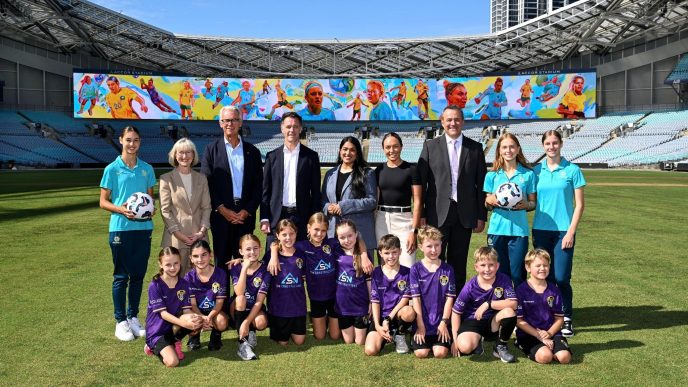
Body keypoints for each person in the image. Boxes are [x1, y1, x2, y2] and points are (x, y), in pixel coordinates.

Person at [417, 105, 487, 291]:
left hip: (464, 215)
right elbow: (421, 184)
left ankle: (456, 306)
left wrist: (481, 216)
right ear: (442, 122)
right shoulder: (430, 146)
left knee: (458, 261)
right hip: (436, 214)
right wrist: (422, 214)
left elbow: (481, 186)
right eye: (449, 120)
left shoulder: (475, 148)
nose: (453, 123)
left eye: (456, 119)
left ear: (462, 122)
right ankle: (435, 301)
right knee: (434, 259)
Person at [99, 126, 156, 341]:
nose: (132, 144)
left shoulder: (147, 169)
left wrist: (151, 209)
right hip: (120, 229)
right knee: (121, 276)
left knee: (138, 276)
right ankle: (120, 321)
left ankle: (133, 317)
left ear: (140, 142)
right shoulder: (112, 169)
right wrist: (121, 209)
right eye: (128, 140)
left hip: (143, 229)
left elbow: (150, 200)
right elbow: (103, 202)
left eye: (136, 140)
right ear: (121, 140)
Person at [532, 130, 585, 337]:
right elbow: (530, 199)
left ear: (561, 144)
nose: (551, 146)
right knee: (544, 275)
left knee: (562, 277)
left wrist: (571, 232)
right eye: (547, 143)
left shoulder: (572, 170)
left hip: (564, 231)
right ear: (543, 146)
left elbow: (579, 205)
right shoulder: (537, 171)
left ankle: (566, 317)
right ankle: (547, 315)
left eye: (555, 143)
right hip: (541, 230)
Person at [201, 105, 263, 274]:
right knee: (221, 263)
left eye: (234, 120)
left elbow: (259, 185)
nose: (230, 123)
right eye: (226, 120)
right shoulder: (211, 150)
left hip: (245, 217)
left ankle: (241, 299)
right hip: (221, 216)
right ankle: (222, 300)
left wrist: (247, 210)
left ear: (241, 123)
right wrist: (221, 208)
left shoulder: (253, 152)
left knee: (245, 264)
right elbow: (207, 183)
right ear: (220, 123)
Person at [272, 213, 341, 340]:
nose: (319, 234)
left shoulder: (332, 244)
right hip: (316, 298)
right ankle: (323, 319)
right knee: (319, 336)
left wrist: (364, 255)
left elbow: (358, 240)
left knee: (335, 336)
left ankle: (332, 319)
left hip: (334, 297)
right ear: (308, 228)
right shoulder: (302, 246)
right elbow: (277, 244)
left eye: (323, 230)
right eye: (316, 229)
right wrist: (273, 254)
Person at [484, 133, 536, 288]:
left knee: (517, 273)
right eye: (504, 147)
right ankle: (501, 308)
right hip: (496, 230)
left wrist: (527, 205)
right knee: (498, 273)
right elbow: (487, 204)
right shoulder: (492, 175)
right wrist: (489, 200)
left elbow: (533, 203)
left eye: (512, 146)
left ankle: (519, 308)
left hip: (519, 231)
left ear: (518, 149)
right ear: (499, 150)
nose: (509, 150)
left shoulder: (528, 174)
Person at [260, 112, 321, 243]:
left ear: (300, 128)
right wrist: (264, 218)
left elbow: (316, 191)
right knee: (273, 258)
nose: (291, 130)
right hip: (277, 215)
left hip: (302, 216)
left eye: (295, 126)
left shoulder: (311, 157)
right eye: (288, 127)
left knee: (302, 258)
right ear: (282, 128)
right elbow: (265, 191)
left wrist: (316, 219)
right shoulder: (272, 157)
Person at [450, 246, 518, 363]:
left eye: (491, 265)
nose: (487, 269)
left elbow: (514, 303)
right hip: (473, 320)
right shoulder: (470, 286)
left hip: (493, 323)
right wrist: (455, 340)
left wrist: (488, 304)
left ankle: (500, 346)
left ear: (497, 266)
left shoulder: (504, 279)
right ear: (476, 267)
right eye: (483, 265)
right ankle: (476, 341)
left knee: (509, 312)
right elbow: (456, 313)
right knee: (465, 347)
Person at [144, 247, 203, 367]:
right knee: (173, 362)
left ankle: (174, 341)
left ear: (180, 262)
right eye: (168, 264)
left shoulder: (184, 284)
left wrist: (200, 318)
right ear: (160, 264)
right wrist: (185, 324)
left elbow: (187, 310)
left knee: (194, 319)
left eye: (176, 263)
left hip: (173, 327)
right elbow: (163, 314)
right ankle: (152, 346)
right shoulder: (155, 285)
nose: (172, 268)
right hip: (157, 332)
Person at [159, 138, 211, 275]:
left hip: (199, 238)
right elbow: (165, 210)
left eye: (188, 152)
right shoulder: (166, 179)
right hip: (176, 239)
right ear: (175, 155)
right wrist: (179, 234)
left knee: (200, 281)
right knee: (176, 282)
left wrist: (201, 232)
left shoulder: (202, 178)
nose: (184, 156)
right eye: (181, 152)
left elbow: (206, 207)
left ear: (193, 155)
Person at [322, 136, 377, 265]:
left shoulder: (367, 173)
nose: (348, 153)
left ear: (357, 153)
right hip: (334, 234)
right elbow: (323, 199)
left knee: (363, 275)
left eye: (352, 150)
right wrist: (328, 207)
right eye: (345, 149)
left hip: (360, 233)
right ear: (340, 151)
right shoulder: (330, 174)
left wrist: (344, 206)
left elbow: (372, 201)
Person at [515, 249, 572, 364]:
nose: (542, 268)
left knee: (564, 358)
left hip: (551, 332)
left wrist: (549, 334)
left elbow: (559, 318)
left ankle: (553, 348)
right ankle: (520, 343)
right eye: (538, 266)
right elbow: (519, 320)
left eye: (545, 265)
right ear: (528, 267)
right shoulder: (521, 290)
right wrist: (539, 336)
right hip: (529, 333)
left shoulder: (554, 290)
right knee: (545, 357)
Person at [375, 132, 422, 268]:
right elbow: (376, 200)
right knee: (385, 264)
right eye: (388, 147)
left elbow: (418, 201)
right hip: (381, 220)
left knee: (407, 263)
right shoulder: (379, 170)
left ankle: (407, 290)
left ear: (401, 147)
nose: (392, 150)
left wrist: (414, 231)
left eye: (395, 146)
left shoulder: (411, 169)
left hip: (404, 220)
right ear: (383, 149)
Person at [409, 226, 456, 359]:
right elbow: (416, 299)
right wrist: (420, 326)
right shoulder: (415, 269)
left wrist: (444, 322)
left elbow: (449, 299)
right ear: (420, 247)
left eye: (437, 245)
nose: (434, 250)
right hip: (423, 322)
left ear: (442, 244)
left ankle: (444, 334)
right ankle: (416, 334)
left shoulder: (448, 269)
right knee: (421, 353)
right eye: (429, 246)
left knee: (440, 353)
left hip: (441, 323)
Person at [364, 234, 415, 356]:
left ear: (400, 252)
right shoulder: (376, 272)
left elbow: (405, 300)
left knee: (409, 312)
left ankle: (400, 335)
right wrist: (377, 325)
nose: (391, 256)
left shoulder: (407, 272)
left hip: (397, 316)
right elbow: (375, 300)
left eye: (394, 252)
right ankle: (385, 334)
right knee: (371, 350)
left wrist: (388, 319)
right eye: (387, 253)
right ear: (380, 253)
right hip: (381, 317)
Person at [266, 219, 308, 346]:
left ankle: (293, 327)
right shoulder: (270, 256)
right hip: (279, 308)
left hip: (298, 307)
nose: (288, 238)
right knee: (283, 343)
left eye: (291, 234)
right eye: (284, 234)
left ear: (296, 234)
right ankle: (278, 327)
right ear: (277, 235)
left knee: (300, 341)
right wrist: (240, 261)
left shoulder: (301, 254)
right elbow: (256, 267)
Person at [184, 240, 229, 351]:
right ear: (191, 258)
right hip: (197, 311)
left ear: (211, 255)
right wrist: (201, 317)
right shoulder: (188, 277)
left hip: (215, 310)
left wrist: (209, 317)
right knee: (188, 318)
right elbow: (193, 304)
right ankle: (194, 336)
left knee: (222, 322)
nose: (200, 259)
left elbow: (219, 302)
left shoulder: (221, 274)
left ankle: (216, 336)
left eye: (204, 255)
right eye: (196, 256)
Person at [231, 234, 270, 360]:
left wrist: (247, 323)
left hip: (254, 306)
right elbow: (239, 292)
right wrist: (244, 269)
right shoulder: (236, 267)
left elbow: (259, 302)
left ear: (260, 249)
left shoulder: (265, 270)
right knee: (241, 299)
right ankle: (242, 344)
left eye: (255, 248)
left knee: (261, 323)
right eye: (248, 249)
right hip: (237, 306)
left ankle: (251, 330)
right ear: (241, 251)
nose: (252, 252)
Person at [334, 220, 372, 345]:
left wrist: (372, 301)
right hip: (343, 306)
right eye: (342, 237)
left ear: (356, 234)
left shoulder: (364, 256)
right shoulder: (335, 252)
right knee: (349, 341)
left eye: (350, 236)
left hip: (360, 306)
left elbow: (369, 281)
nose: (347, 240)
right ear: (337, 238)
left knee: (360, 342)